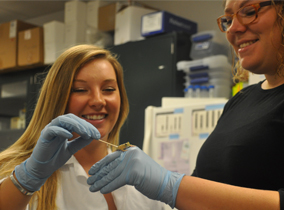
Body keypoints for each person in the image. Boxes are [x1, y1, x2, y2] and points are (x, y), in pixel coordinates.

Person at [86, 0, 284, 210]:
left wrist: (169, 185)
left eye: (248, 11)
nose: (233, 28)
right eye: (228, 19)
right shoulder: (242, 99)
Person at [0, 45, 164, 210]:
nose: (98, 101)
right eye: (80, 90)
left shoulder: (138, 176)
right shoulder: (13, 173)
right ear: (56, 99)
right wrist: (26, 181)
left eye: (108, 89)